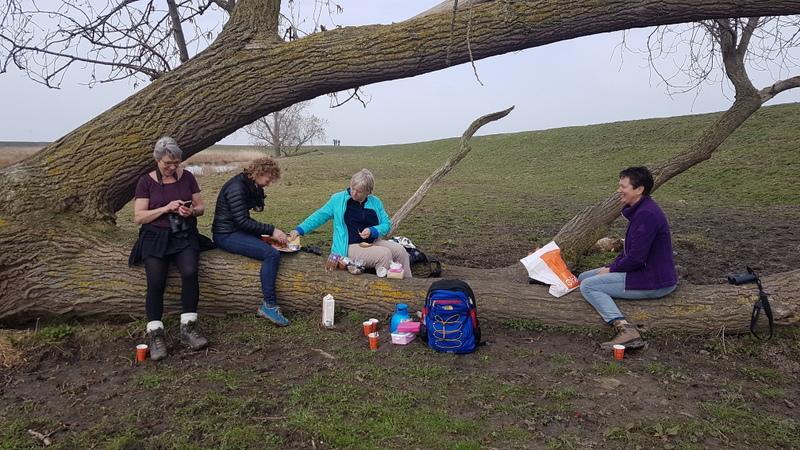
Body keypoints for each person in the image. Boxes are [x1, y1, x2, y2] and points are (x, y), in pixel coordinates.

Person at [578, 166, 678, 350]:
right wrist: (611, 266)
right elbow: (630, 252)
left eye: (623, 186)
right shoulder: (641, 210)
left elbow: (636, 259)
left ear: (639, 189)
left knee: (589, 285)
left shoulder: (647, 215)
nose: (619, 190)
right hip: (642, 271)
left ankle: (625, 330)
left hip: (654, 279)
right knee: (583, 277)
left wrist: (611, 270)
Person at [129, 137, 208, 361]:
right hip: (155, 237)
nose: (172, 167)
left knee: (190, 272)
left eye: (176, 163)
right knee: (156, 282)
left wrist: (190, 212)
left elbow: (200, 207)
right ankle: (156, 334)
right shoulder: (146, 182)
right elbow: (138, 217)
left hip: (184, 235)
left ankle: (189, 328)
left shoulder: (188, 177)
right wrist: (165, 209)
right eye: (167, 164)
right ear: (157, 160)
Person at [288, 169, 411, 278]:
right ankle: (385, 290)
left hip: (373, 242)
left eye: (359, 191)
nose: (354, 193)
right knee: (384, 254)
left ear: (369, 192)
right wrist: (299, 230)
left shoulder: (376, 202)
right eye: (353, 188)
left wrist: (373, 230)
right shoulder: (338, 199)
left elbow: (386, 225)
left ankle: (408, 287)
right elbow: (319, 216)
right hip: (348, 246)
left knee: (401, 251)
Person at [212, 158, 291, 326]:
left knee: (271, 243)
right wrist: (272, 230)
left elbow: (245, 217)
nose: (268, 184)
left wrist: (268, 236)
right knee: (271, 254)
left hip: (236, 230)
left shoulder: (248, 183)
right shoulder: (237, 187)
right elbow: (242, 221)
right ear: (259, 173)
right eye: (268, 180)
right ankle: (268, 305)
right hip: (225, 234)